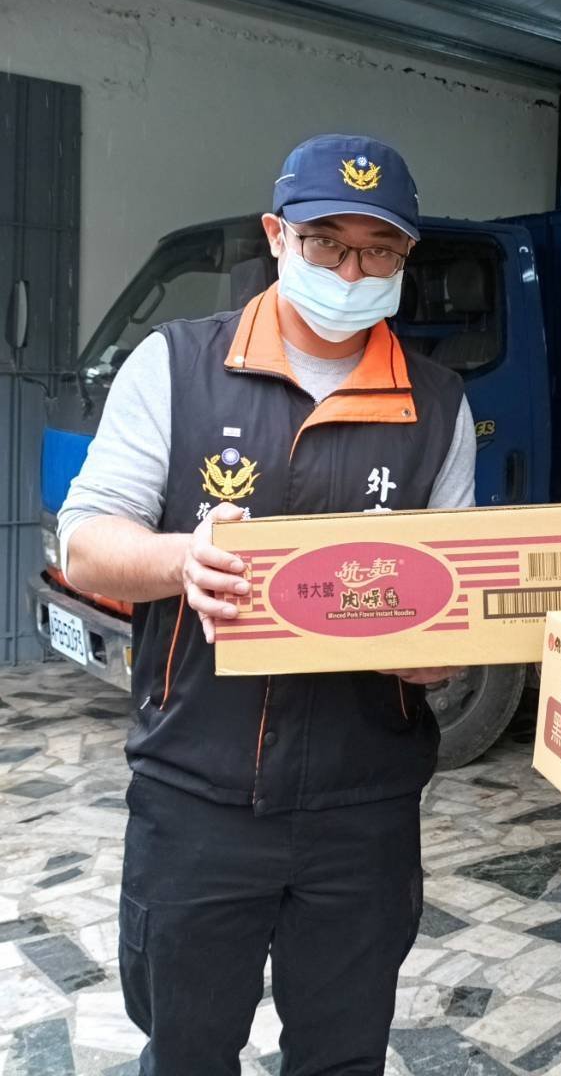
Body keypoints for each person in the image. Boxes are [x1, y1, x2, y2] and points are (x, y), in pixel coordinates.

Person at [59, 134, 477, 1075]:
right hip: (197, 791)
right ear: (277, 236)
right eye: (329, 244)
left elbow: (450, 597)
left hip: (364, 801)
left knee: (343, 1054)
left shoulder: (439, 405)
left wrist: (439, 651)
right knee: (187, 1049)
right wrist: (181, 560)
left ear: (406, 259)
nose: (352, 272)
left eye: (380, 252)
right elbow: (85, 541)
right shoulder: (176, 365)